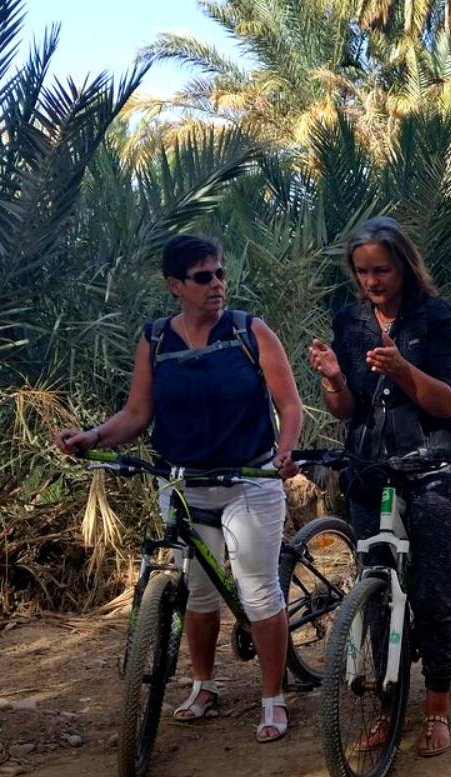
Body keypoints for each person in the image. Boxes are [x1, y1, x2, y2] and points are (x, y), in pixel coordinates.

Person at [56, 234, 304, 743]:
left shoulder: (250, 332)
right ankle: (204, 685)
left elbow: (290, 405)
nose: (216, 284)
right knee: (199, 590)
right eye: (202, 277)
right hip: (185, 483)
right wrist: (94, 437)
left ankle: (273, 697)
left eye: (220, 273)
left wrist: (285, 451)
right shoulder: (154, 340)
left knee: (258, 591)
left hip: (248, 482)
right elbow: (137, 414)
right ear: (174, 286)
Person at [307, 216, 451, 758]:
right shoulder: (351, 320)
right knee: (376, 586)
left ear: (403, 264)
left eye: (380, 269)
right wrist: (333, 378)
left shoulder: (435, 316)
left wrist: (402, 369)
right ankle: (387, 705)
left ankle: (439, 705)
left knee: (433, 589)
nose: (371, 281)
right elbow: (347, 408)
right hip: (370, 466)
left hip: (433, 464)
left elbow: (446, 402)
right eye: (362, 271)